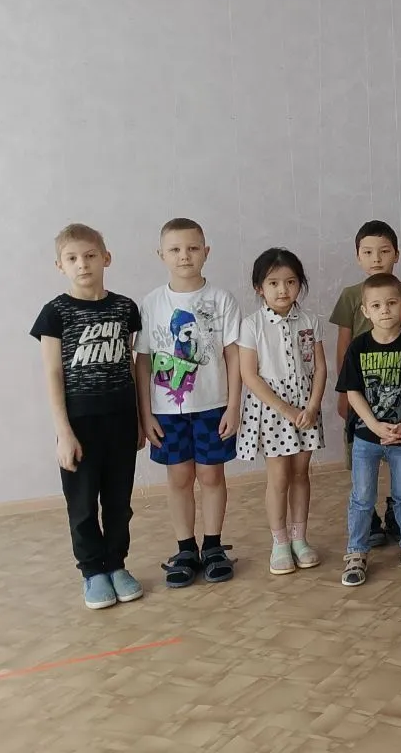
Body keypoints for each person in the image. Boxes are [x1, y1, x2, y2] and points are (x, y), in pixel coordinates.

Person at [31, 224, 144, 610]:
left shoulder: (125, 308)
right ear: (60, 266)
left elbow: (132, 365)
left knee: (118, 501)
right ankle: (93, 571)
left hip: (121, 420)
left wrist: (139, 419)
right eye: (73, 258)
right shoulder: (55, 313)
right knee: (82, 504)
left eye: (90, 255)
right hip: (80, 423)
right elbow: (52, 373)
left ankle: (116, 564)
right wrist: (63, 432)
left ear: (106, 258)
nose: (83, 264)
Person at [136, 218, 242, 588]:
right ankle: (185, 549)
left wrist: (233, 405)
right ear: (161, 254)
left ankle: (212, 547)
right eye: (176, 249)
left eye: (193, 248)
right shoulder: (152, 303)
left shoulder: (222, 299)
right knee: (179, 477)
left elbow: (233, 356)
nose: (185, 256)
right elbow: (143, 361)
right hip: (167, 411)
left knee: (212, 475)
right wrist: (145, 413)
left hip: (213, 405)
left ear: (206, 252)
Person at [337, 274, 401, 587]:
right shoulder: (358, 347)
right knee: (362, 496)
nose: (385, 310)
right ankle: (356, 551)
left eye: (391, 303)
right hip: (366, 438)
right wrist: (373, 424)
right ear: (365, 311)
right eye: (376, 305)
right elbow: (352, 391)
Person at [330, 220, 401, 547]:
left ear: (396, 255)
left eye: (384, 251)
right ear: (358, 256)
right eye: (368, 252)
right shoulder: (350, 295)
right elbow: (343, 345)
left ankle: (396, 513)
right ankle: (368, 517)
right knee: (362, 459)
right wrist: (343, 393)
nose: (376, 259)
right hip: (361, 393)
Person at [237, 248, 326, 576]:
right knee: (279, 478)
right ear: (259, 287)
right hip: (272, 409)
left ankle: (299, 538)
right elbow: (249, 375)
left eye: (290, 282)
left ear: (299, 284)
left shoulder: (310, 321)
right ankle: (279, 542)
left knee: (301, 474)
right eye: (273, 283)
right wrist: (285, 409)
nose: (282, 289)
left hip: (306, 407)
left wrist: (312, 405)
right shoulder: (252, 325)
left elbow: (320, 368)